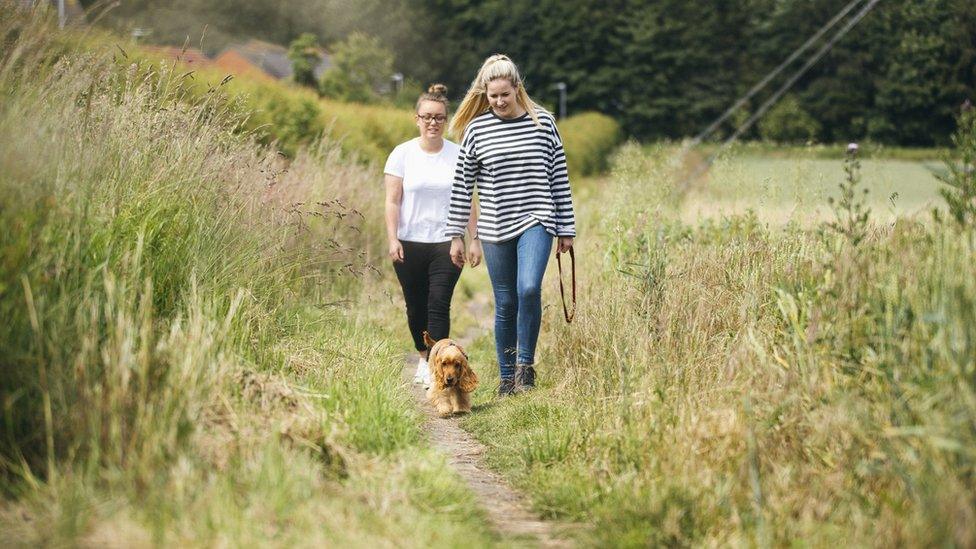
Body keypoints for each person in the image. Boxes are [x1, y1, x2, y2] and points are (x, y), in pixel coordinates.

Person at [445, 54, 576, 396]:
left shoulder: (544, 123)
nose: (499, 101)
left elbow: (559, 177)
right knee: (505, 302)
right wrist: (456, 235)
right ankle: (506, 377)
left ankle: (525, 368)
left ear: (517, 89)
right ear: (484, 94)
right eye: (493, 96)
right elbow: (462, 186)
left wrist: (566, 226)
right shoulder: (477, 130)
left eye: (505, 94)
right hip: (494, 224)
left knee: (529, 288)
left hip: (538, 218)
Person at [384, 84, 481, 388]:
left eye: (439, 117)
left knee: (438, 303)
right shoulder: (402, 154)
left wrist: (474, 238)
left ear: (446, 119)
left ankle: (436, 370)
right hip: (409, 240)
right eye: (427, 117)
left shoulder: (458, 155)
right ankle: (424, 356)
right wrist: (392, 238)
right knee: (415, 307)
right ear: (417, 119)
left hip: (446, 241)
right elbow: (392, 200)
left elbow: (468, 198)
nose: (433, 123)